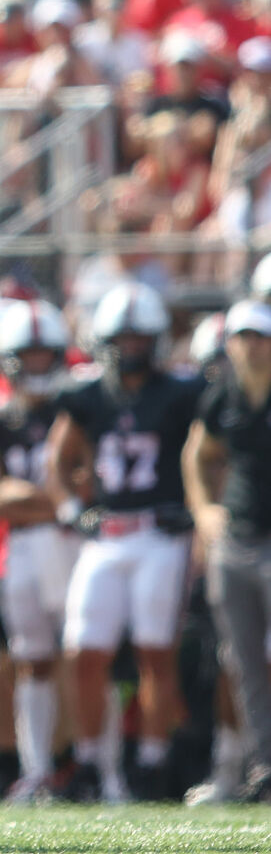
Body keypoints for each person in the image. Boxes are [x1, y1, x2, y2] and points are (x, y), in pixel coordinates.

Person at [49, 283, 203, 802]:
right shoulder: (87, 392)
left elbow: (209, 453)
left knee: (155, 653)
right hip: (108, 535)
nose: (132, 346)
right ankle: (92, 762)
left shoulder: (182, 391)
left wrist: (197, 508)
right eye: (124, 337)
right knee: (82, 652)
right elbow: (58, 460)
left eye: (142, 337)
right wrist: (73, 509)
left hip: (160, 535)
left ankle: (151, 764)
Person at [0, 299, 80, 804]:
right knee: (31, 659)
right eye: (27, 356)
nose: (37, 365)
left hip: (74, 544)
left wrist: (31, 500)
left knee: (83, 656)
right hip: (24, 550)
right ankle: (36, 769)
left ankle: (92, 766)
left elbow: (88, 487)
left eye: (44, 355)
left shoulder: (80, 403)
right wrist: (54, 503)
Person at [184, 298, 271, 803]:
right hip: (237, 539)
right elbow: (197, 454)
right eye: (242, 337)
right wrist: (203, 509)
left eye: (258, 336)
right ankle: (262, 767)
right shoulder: (224, 397)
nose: (250, 345)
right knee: (241, 663)